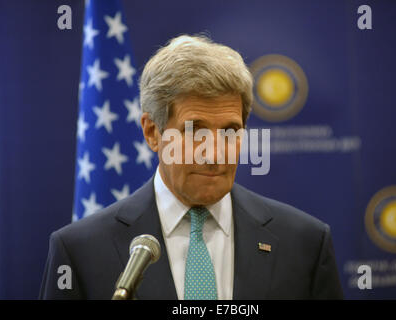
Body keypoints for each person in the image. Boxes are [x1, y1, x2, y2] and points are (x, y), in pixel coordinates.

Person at [39, 35, 343, 300]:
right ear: (152, 132)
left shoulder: (304, 243)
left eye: (230, 131)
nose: (214, 153)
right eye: (194, 130)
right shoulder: (79, 252)